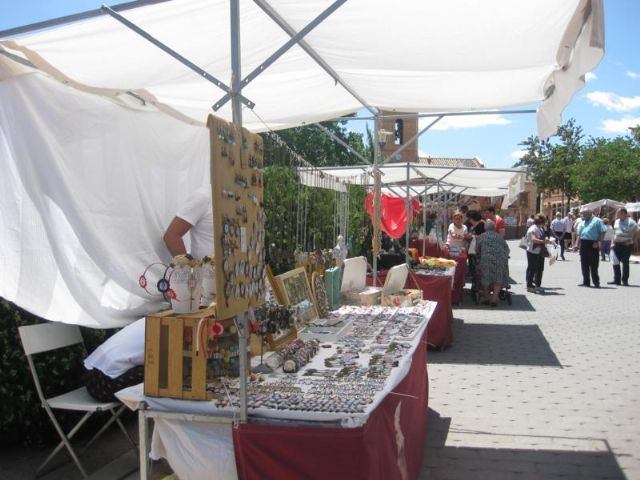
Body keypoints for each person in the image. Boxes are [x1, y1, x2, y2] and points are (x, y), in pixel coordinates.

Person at [83, 318, 145, 401]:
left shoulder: (152, 320)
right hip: (103, 382)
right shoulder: (158, 325)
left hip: (93, 371)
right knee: (158, 378)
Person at [163, 185, 214, 258]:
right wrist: (187, 264)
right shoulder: (204, 196)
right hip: (205, 264)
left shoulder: (229, 200)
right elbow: (171, 236)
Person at [476, 220, 510, 306]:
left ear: (485, 228)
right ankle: (494, 300)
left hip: (486, 260)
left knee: (485, 278)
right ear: (494, 228)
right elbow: (507, 249)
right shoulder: (499, 237)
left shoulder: (481, 237)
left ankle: (486, 298)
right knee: (498, 279)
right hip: (499, 260)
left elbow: (477, 250)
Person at [574, 206, 606, 288]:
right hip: (584, 243)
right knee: (584, 263)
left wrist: (598, 242)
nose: (583, 215)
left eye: (584, 213)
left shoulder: (597, 221)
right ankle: (586, 281)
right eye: (582, 213)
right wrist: (576, 244)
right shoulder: (582, 222)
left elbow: (603, 232)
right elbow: (579, 235)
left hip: (593, 243)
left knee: (594, 264)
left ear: (590, 213)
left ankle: (596, 282)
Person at [608, 207, 638, 286]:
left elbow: (637, 232)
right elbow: (614, 232)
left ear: (623, 213)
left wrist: (631, 241)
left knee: (625, 263)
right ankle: (617, 280)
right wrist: (612, 242)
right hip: (616, 244)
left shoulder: (631, 222)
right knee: (615, 262)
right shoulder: (617, 221)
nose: (616, 214)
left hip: (626, 245)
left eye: (618, 213)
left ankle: (625, 280)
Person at [526, 214, 552, 293]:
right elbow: (534, 240)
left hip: (539, 252)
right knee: (532, 269)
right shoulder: (533, 228)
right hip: (532, 252)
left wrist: (546, 240)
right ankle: (529, 286)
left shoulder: (540, 228)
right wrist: (544, 241)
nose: (545, 223)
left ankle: (537, 285)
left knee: (540, 269)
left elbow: (543, 237)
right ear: (541, 221)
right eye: (545, 222)